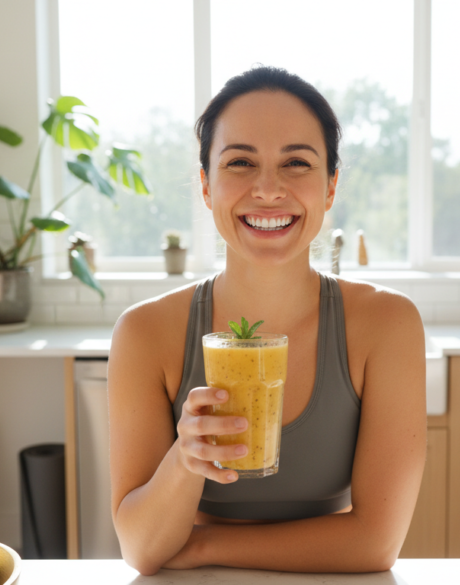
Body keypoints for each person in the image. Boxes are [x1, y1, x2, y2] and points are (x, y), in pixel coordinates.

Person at [108, 66, 426, 576]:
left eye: (296, 162)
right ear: (207, 186)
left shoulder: (388, 325)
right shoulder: (145, 333)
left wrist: (202, 546)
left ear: (330, 187)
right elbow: (143, 549)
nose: (269, 189)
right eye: (240, 162)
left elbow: (375, 542)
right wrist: (184, 461)